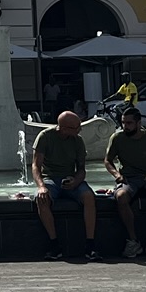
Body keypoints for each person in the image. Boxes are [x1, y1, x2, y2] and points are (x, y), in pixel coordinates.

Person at [104, 104, 146, 261]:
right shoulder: (118, 138)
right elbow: (108, 160)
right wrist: (116, 174)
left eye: (129, 123)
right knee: (121, 196)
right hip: (129, 178)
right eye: (123, 123)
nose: (125, 126)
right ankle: (133, 240)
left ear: (138, 123)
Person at [31, 111, 98, 260]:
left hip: (71, 178)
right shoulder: (45, 137)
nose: (80, 130)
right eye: (76, 128)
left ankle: (90, 244)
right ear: (64, 128)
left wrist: (76, 181)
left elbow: (81, 169)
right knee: (42, 198)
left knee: (88, 196)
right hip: (50, 179)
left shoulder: (78, 141)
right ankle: (54, 244)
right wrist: (41, 186)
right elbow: (36, 165)